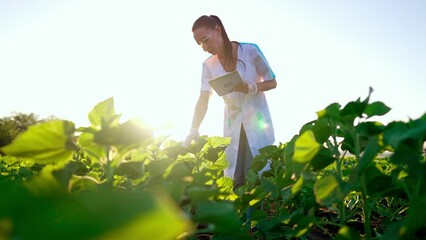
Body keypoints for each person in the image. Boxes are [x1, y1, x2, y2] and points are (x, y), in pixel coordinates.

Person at [184, 15, 277, 188]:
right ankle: (240, 215)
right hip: (233, 123)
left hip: (256, 121)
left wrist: (253, 87)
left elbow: (273, 82)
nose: (204, 47)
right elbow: (203, 99)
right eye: (200, 44)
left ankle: (255, 215)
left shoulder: (250, 51)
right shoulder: (208, 65)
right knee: (235, 179)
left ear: (218, 30)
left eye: (205, 40)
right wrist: (194, 128)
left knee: (255, 176)